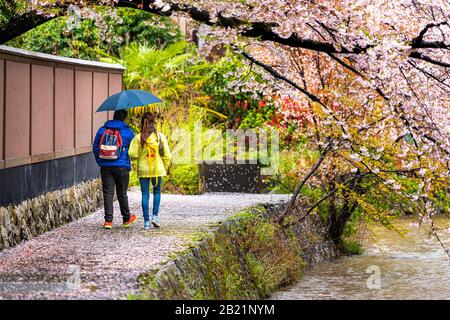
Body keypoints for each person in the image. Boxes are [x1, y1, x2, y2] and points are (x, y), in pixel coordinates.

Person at [93, 109, 136, 229]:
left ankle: (108, 221)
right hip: (122, 166)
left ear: (114, 116)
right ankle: (126, 219)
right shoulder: (127, 132)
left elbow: (95, 147)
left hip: (106, 166)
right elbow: (134, 149)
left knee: (108, 193)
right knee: (122, 193)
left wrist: (100, 161)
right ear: (124, 118)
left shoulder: (102, 130)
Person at [129, 112, 171, 230]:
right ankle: (155, 217)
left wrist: (138, 156)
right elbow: (167, 155)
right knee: (157, 193)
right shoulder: (160, 137)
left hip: (144, 170)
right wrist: (165, 166)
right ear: (153, 123)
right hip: (157, 170)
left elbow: (132, 154)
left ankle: (146, 222)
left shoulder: (138, 138)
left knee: (145, 194)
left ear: (143, 123)